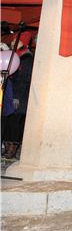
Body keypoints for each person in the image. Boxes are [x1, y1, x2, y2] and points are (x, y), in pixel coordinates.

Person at [2, 31, 33, 160]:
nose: (13, 42)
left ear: (23, 43)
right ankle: (7, 146)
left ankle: (12, 148)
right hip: (10, 95)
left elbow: (24, 80)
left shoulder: (27, 59)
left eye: (17, 40)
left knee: (16, 123)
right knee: (9, 122)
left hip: (19, 97)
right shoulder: (15, 57)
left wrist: (17, 97)